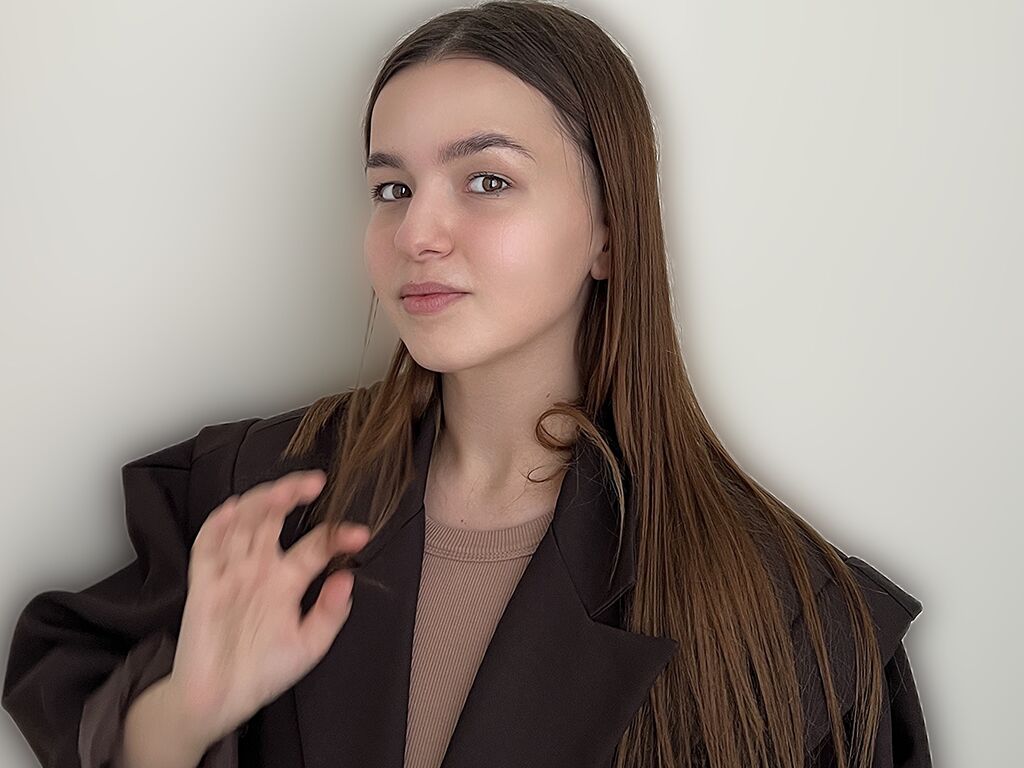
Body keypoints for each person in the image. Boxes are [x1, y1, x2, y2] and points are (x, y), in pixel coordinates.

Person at [1, 2, 932, 767]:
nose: (416, 233)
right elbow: (70, 692)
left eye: (486, 181)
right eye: (392, 188)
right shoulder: (254, 500)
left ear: (609, 231)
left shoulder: (792, 620)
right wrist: (183, 717)